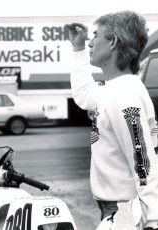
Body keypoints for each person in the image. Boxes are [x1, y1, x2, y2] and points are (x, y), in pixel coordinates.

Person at [65, 11, 158, 229]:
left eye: (95, 36)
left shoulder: (124, 94)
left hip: (126, 210)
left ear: (114, 42)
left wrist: (152, 220)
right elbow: (84, 95)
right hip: (119, 207)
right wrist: (78, 49)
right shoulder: (117, 88)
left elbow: (142, 159)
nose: (90, 43)